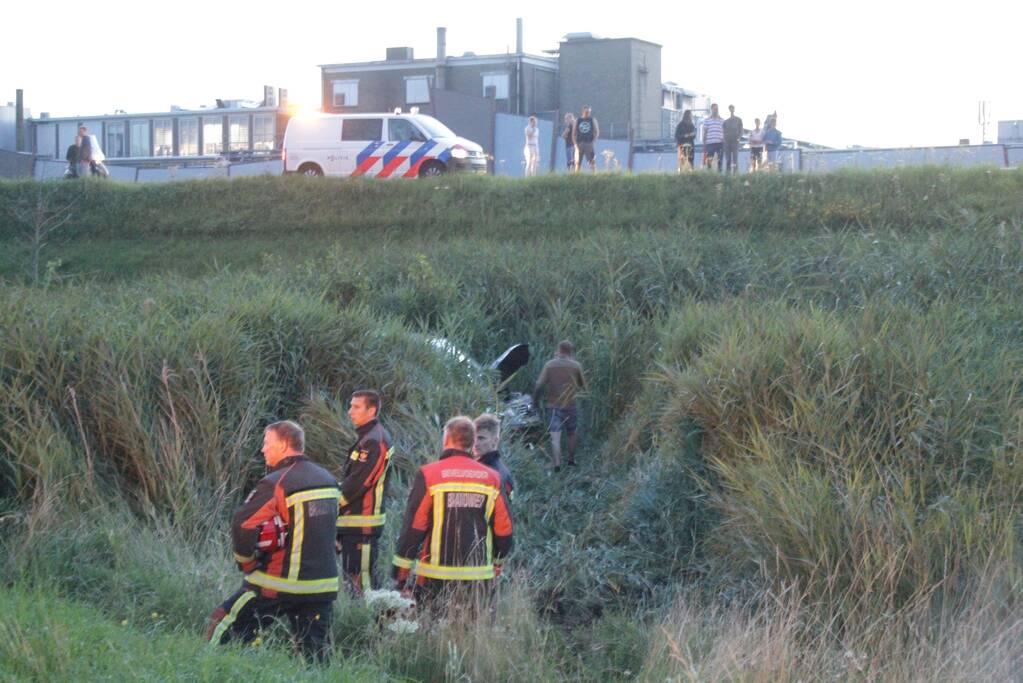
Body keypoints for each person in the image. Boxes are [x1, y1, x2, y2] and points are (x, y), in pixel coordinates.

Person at [207, 421, 340, 663]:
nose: (263, 449)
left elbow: (243, 525)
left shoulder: (277, 482)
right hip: (322, 587)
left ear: (283, 445)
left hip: (278, 583)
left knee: (222, 625)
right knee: (314, 660)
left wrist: (247, 564)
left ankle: (207, 670)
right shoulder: (329, 480)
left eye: (267, 443)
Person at [392, 416, 513, 611]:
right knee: (473, 628)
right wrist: (497, 563)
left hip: (434, 576)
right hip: (478, 576)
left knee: (434, 627)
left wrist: (401, 575)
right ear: (472, 442)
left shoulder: (429, 474)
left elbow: (414, 528)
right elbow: (504, 528)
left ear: (446, 439)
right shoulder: (492, 478)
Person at [336, 390, 393, 597]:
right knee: (353, 584)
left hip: (363, 524)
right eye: (350, 406)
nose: (350, 411)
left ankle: (374, 618)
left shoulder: (375, 440)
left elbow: (358, 483)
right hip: (353, 523)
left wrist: (332, 504)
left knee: (363, 586)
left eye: (356, 407)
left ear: (372, 410)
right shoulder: (368, 437)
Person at [533, 340, 587, 471]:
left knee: (555, 435)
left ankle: (557, 464)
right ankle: (571, 461)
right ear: (570, 352)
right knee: (572, 433)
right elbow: (583, 387)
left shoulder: (550, 365)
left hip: (553, 405)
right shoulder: (576, 366)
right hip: (571, 405)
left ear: (558, 350)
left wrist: (535, 401)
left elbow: (539, 385)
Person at [473, 413, 515, 503]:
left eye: (481, 438)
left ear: (495, 441)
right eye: (473, 438)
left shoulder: (498, 474)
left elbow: (505, 508)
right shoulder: (476, 469)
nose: (475, 443)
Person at [573, 106, 600, 173]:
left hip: (588, 144)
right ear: (583, 111)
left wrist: (593, 142)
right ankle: (576, 176)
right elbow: (573, 133)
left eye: (588, 112)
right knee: (577, 163)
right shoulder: (578, 120)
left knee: (592, 162)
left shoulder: (592, 120)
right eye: (586, 112)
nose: (587, 113)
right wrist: (575, 144)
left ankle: (594, 175)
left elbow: (597, 132)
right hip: (579, 144)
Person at [701, 104, 724, 172]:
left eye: (717, 109)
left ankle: (719, 175)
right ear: (711, 110)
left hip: (720, 143)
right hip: (710, 144)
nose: (716, 110)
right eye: (714, 109)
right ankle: (709, 174)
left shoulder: (722, 120)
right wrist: (704, 144)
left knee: (720, 161)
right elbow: (705, 133)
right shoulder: (707, 120)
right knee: (709, 161)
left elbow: (724, 132)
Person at [723, 105, 744, 174]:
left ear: (734, 109)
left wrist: (738, 138)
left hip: (735, 142)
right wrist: (724, 140)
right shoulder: (726, 121)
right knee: (728, 160)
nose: (731, 110)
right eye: (730, 108)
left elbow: (741, 131)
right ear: (729, 110)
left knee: (735, 160)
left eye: (732, 108)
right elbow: (723, 132)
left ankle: (735, 175)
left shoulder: (738, 120)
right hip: (727, 143)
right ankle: (728, 174)